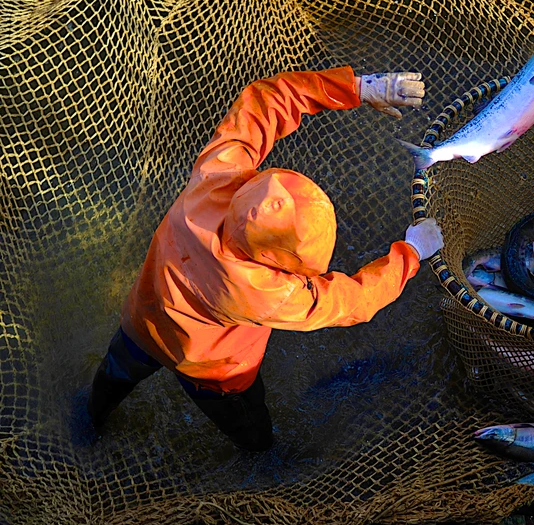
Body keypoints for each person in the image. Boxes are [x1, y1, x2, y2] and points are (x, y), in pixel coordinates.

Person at [88, 67, 442, 452]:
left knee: (114, 376)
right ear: (282, 262)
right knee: (253, 433)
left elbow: (264, 102)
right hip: (214, 374)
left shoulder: (216, 175)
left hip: (142, 322)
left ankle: (89, 423)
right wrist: (412, 252)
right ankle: (263, 458)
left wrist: (357, 88)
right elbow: (351, 302)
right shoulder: (268, 293)